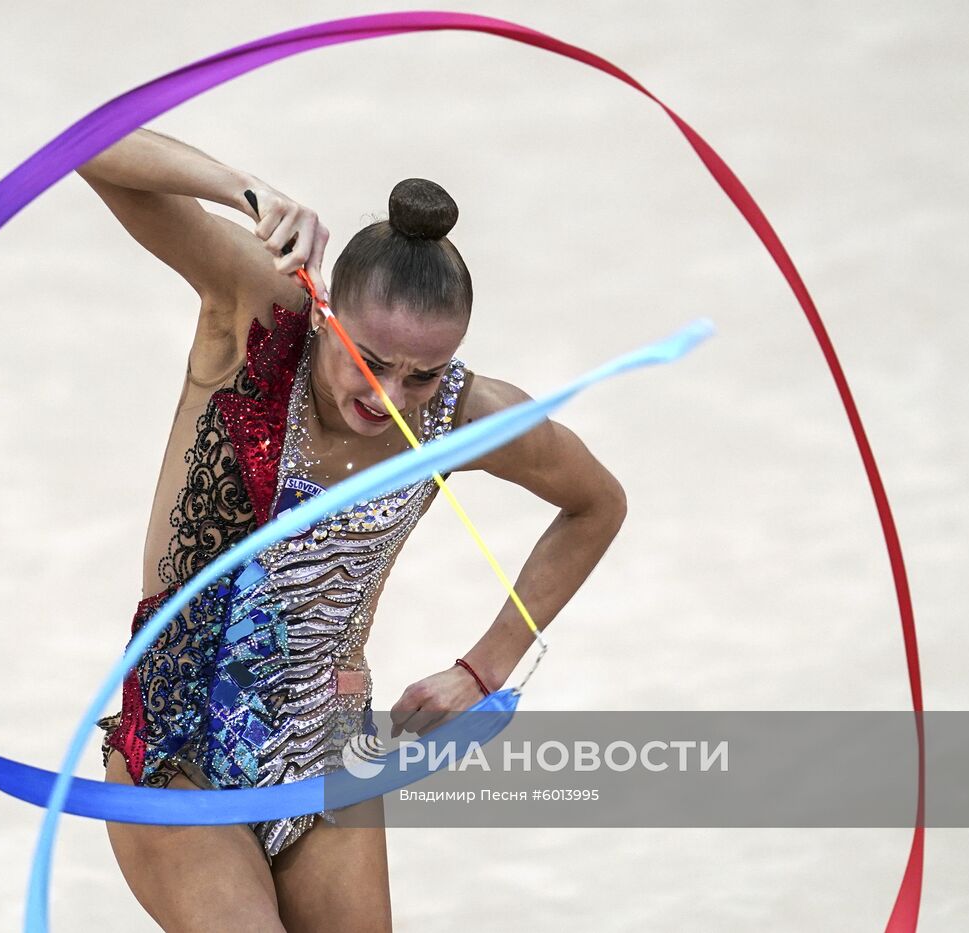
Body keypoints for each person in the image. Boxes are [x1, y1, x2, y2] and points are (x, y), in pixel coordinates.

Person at [76, 127, 627, 933]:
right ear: (328, 313)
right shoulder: (258, 319)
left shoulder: (464, 415)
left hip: (325, 745)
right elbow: (90, 147)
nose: (393, 397)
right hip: (179, 742)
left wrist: (484, 667)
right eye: (369, 359)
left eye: (424, 372)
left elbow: (596, 504)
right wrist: (247, 190)